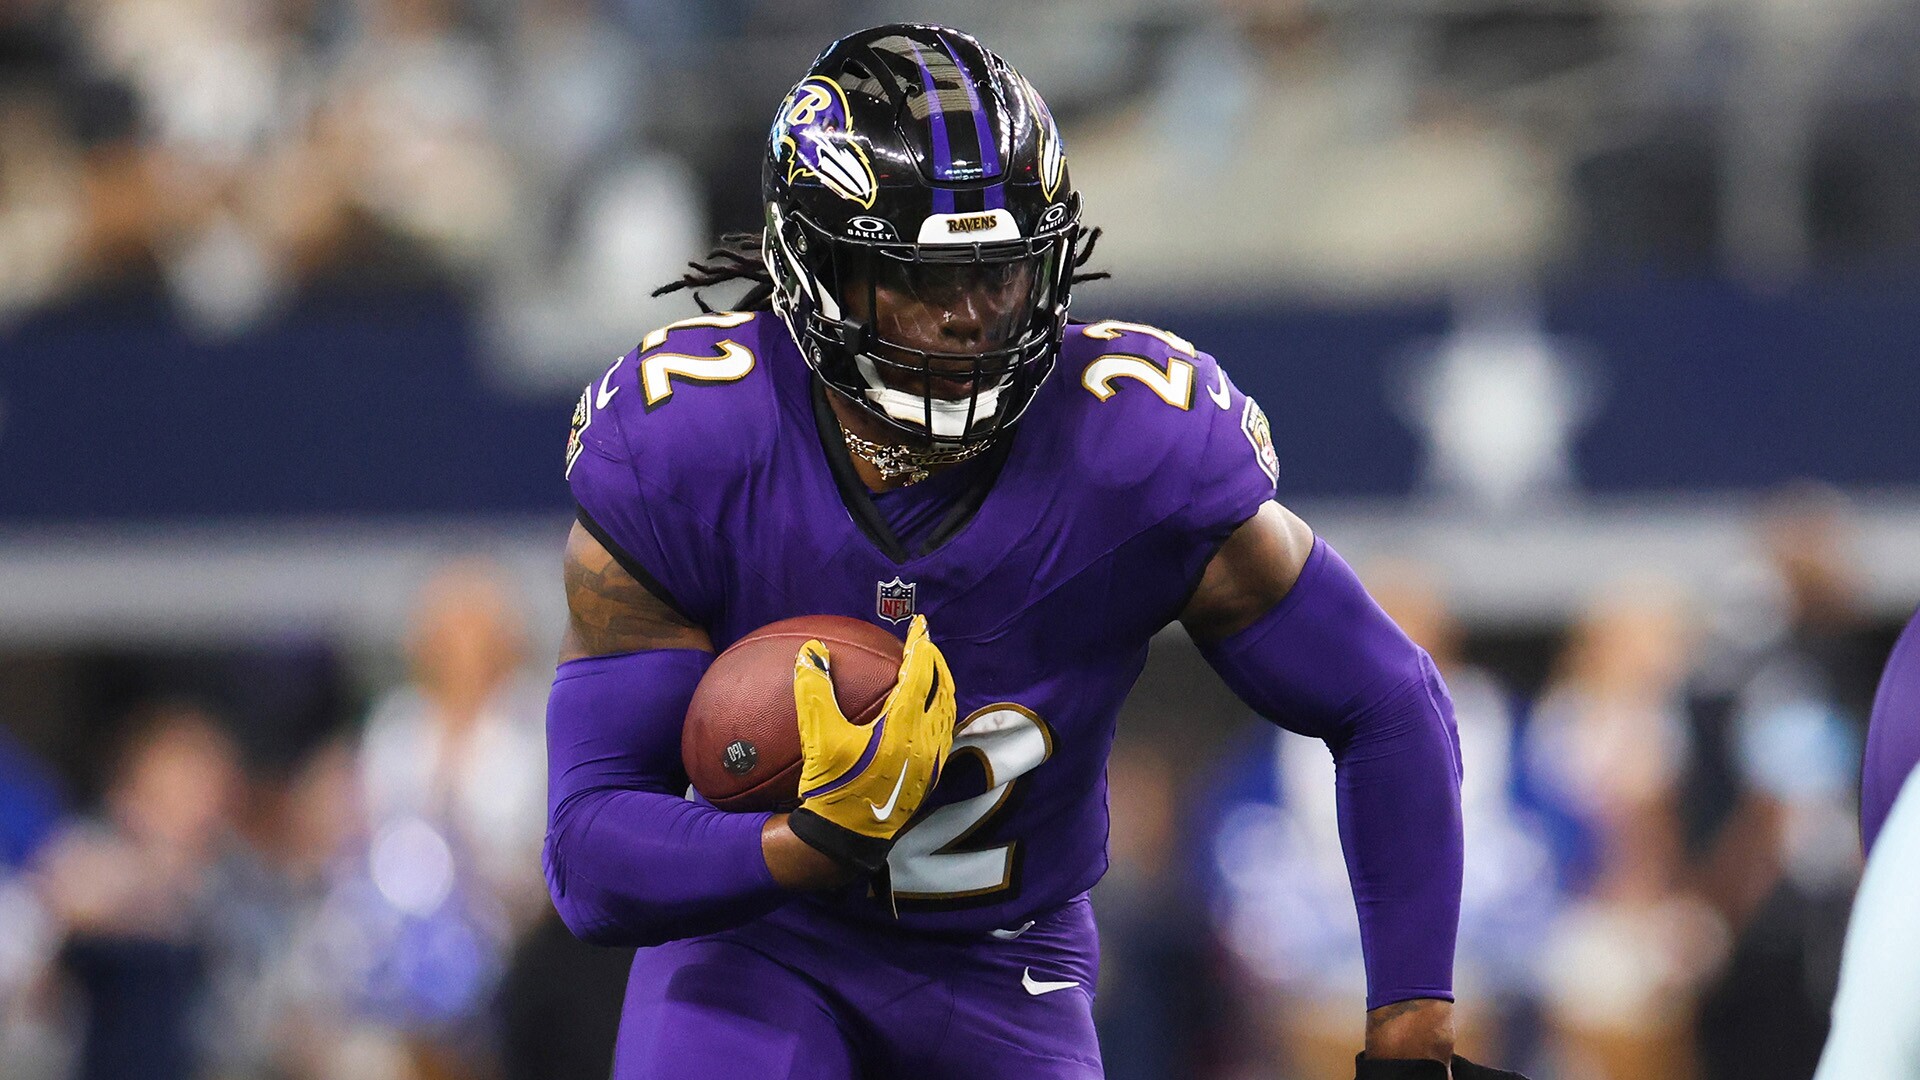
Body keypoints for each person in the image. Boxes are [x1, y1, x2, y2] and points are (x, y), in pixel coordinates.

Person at [543, 24, 1523, 1080]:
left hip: (1006, 966)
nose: (969, 317)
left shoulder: (1136, 444)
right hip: (759, 940)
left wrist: (1412, 1031)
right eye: (921, 278)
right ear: (815, 266)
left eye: (999, 272)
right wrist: (806, 843)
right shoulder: (690, 441)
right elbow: (589, 855)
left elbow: (1385, 700)